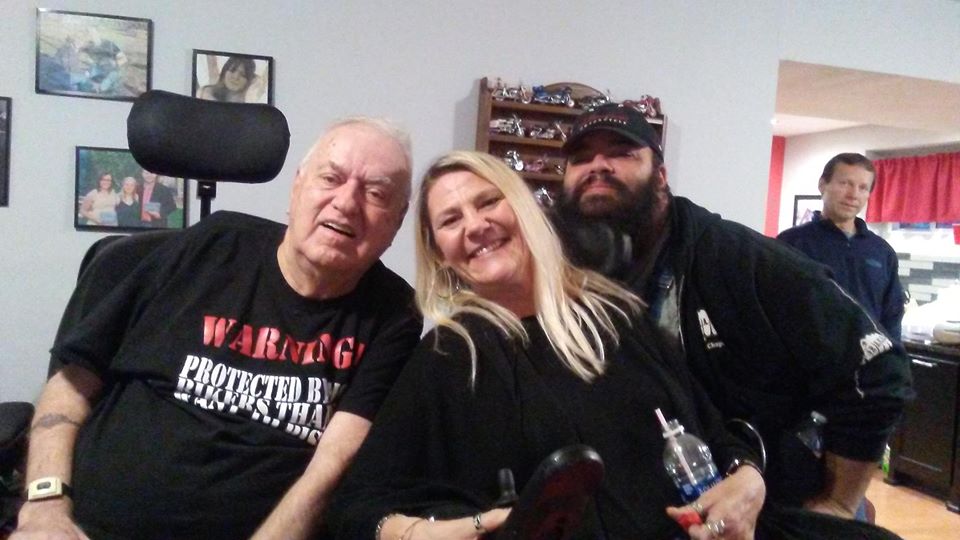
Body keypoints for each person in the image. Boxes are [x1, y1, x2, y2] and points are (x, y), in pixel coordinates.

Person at [13, 117, 423, 540]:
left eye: (376, 193)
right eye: (331, 178)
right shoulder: (210, 245)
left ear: (396, 221)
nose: (347, 203)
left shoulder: (395, 314)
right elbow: (73, 379)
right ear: (298, 186)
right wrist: (45, 508)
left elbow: (332, 464)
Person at [327, 150, 769, 540]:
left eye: (488, 202)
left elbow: (715, 433)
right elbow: (356, 509)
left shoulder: (616, 315)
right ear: (440, 252)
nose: (476, 226)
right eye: (451, 220)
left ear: (524, 208)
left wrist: (749, 481)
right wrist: (428, 531)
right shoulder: (448, 357)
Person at [554, 103, 912, 519]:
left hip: (768, 507)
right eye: (581, 158)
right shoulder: (571, 271)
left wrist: (839, 502)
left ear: (661, 177)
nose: (598, 165)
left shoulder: (738, 259)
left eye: (621, 152)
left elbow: (878, 368)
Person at [778, 153, 905, 341]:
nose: (853, 195)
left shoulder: (882, 252)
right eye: (845, 183)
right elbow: (775, 307)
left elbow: (892, 315)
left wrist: (892, 355)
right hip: (807, 356)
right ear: (822, 185)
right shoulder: (792, 243)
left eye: (863, 188)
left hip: (868, 356)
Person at [197, 56, 265, 104]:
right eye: (232, 70)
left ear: (248, 81)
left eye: (243, 75)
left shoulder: (250, 102)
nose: (236, 77)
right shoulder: (206, 93)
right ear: (225, 71)